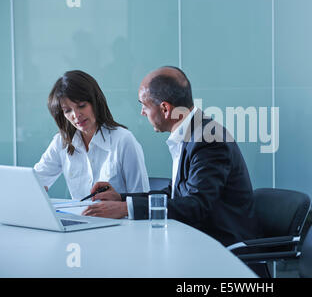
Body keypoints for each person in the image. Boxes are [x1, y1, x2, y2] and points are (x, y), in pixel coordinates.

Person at [83, 66, 261, 246]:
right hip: (196, 240)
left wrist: (125, 209)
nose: (142, 112)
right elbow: (177, 194)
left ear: (165, 109)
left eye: (144, 105)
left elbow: (196, 205)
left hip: (221, 249)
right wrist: (121, 198)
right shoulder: (195, 133)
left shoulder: (208, 140)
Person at [34, 70, 150, 200]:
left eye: (81, 106)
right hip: (80, 219)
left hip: (119, 220)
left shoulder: (123, 140)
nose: (76, 115)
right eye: (67, 111)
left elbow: (142, 202)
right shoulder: (61, 142)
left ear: (95, 102)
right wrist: (34, 189)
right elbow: (35, 181)